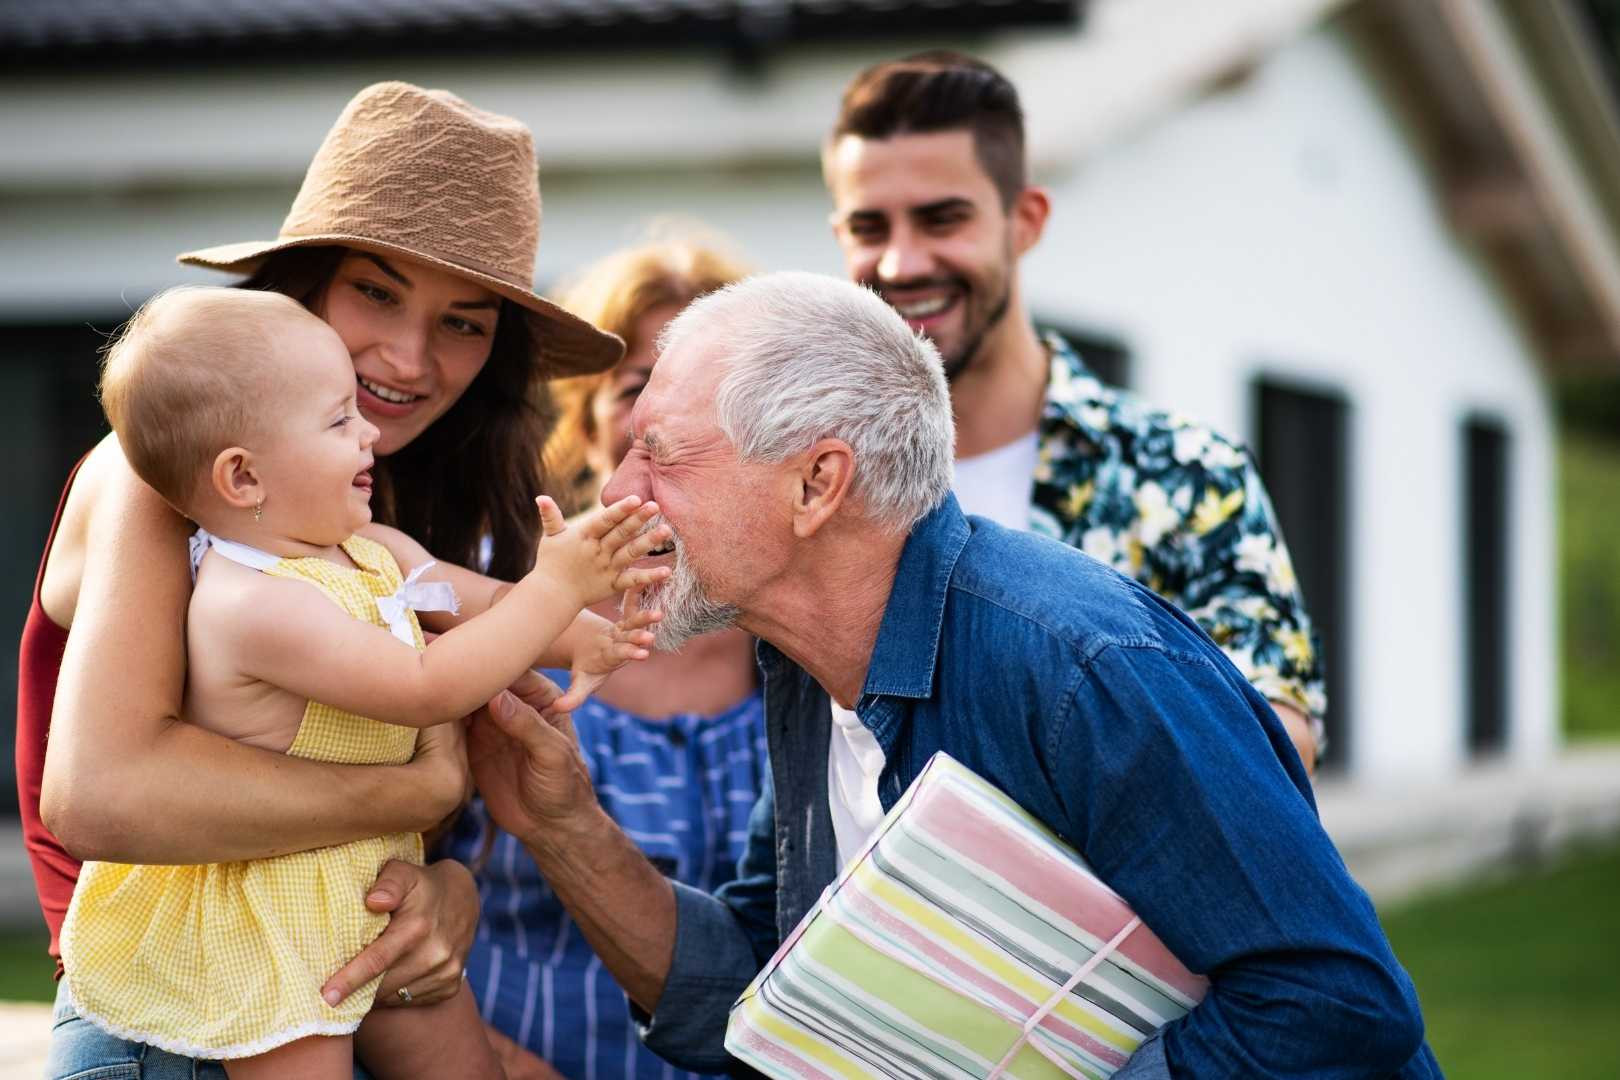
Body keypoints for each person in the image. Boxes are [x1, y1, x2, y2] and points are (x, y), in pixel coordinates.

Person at [467, 271, 1443, 1078]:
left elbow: (1336, 1003)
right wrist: (564, 827)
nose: (619, 492)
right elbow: (764, 990)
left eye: (660, 456)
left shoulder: (1080, 670)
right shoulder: (804, 669)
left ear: (817, 483)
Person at [17, 81, 623, 1079]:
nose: (407, 357)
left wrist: (448, 894)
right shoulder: (161, 475)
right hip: (180, 1018)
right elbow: (101, 795)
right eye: (374, 292)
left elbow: (450, 811)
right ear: (300, 284)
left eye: (465, 324)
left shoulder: (391, 499)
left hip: (345, 980)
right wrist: (415, 785)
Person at [58, 286, 668, 1079]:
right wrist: (556, 586)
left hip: (367, 884)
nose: (370, 432)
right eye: (339, 419)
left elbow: (466, 603)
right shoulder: (250, 603)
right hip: (275, 908)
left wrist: (582, 634)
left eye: (461, 321)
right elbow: (423, 684)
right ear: (242, 478)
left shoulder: (362, 542)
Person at [821, 51, 1326, 772]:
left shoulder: (1187, 478)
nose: (902, 264)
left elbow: (1274, 750)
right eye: (871, 228)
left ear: (1025, 220)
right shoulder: (813, 486)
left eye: (942, 219)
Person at [440, 237, 765, 1080]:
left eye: (711, 395)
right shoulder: (481, 604)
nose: (669, 420)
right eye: (637, 392)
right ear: (586, 427)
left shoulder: (798, 652)